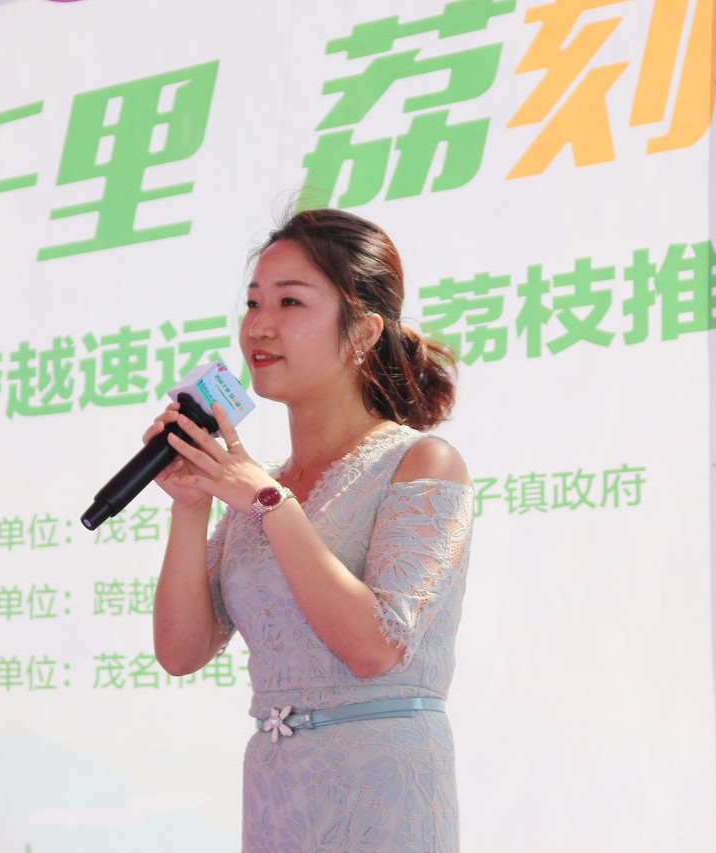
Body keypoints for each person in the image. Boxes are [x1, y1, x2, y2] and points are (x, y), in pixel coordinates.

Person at [145, 207, 474, 852]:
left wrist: (267, 501)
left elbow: (375, 648)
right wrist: (190, 504)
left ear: (363, 331)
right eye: (252, 302)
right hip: (278, 795)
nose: (259, 325)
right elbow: (181, 652)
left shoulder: (421, 463)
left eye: (290, 301)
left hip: (385, 793)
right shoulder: (255, 485)